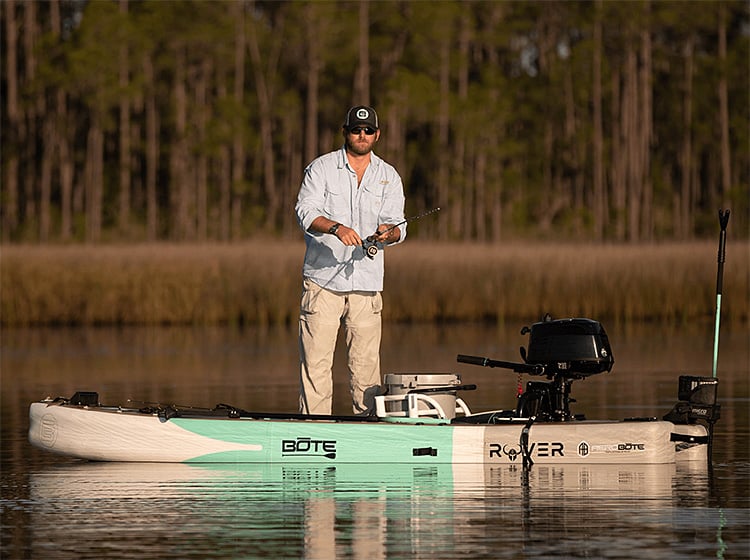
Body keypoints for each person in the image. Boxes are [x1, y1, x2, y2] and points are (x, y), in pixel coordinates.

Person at [294, 105, 406, 415]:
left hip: (367, 286)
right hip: (323, 283)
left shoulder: (389, 176)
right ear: (345, 132)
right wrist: (335, 228)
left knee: (366, 369)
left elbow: (399, 225)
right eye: (356, 130)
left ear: (377, 134)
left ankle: (366, 432)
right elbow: (305, 212)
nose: (362, 135)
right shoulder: (321, 168)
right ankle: (314, 430)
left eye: (368, 130)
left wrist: (389, 233)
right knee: (316, 365)